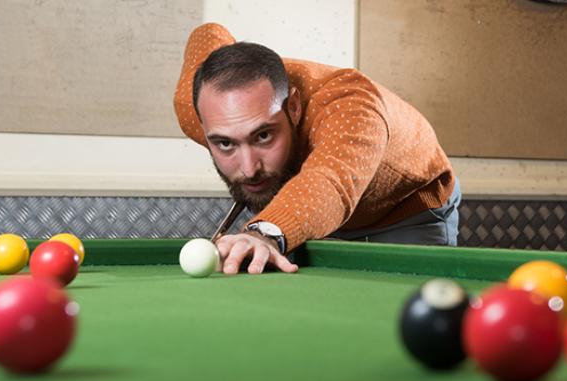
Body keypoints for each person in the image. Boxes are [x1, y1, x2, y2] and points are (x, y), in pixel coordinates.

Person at [174, 23, 460, 275]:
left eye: (263, 136)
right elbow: (208, 32)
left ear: (294, 107)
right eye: (225, 144)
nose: (249, 169)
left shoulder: (350, 107)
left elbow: (329, 183)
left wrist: (264, 232)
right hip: (308, 212)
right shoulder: (196, 105)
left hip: (404, 209)